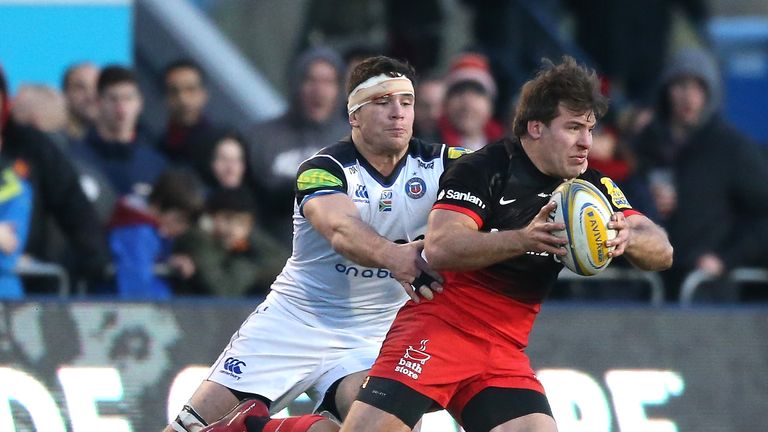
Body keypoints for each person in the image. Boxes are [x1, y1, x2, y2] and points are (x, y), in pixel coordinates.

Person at [340, 56, 674, 432]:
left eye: (591, 129)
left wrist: (628, 237)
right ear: (536, 127)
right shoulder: (485, 168)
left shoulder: (589, 188)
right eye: (574, 128)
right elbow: (441, 246)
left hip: (502, 350)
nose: (586, 143)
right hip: (438, 330)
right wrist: (522, 239)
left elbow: (662, 250)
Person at [167, 55, 464, 432]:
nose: (398, 113)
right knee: (187, 429)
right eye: (383, 102)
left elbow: (508, 171)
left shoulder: (445, 163)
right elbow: (340, 229)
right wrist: (394, 256)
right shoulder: (321, 168)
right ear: (354, 114)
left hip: (374, 334)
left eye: (406, 102)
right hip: (294, 320)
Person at [632, 48, 768, 301]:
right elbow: (613, 196)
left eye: (698, 87)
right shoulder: (645, 143)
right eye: (680, 85)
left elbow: (762, 217)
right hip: (647, 288)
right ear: (666, 90)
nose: (688, 96)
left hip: (705, 292)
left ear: (710, 93)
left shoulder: (732, 148)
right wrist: (643, 199)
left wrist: (725, 259)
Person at [247, 46, 350, 245]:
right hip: (274, 254)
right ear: (296, 84)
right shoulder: (261, 138)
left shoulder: (357, 141)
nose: (318, 90)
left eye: (327, 82)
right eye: (310, 80)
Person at [71, 65, 167, 200]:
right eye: (113, 99)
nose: (121, 108)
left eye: (128, 98)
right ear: (98, 102)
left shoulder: (156, 164)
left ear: (140, 103)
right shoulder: (75, 157)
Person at [170, 187, 288, 297]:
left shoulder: (243, 245)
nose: (233, 229)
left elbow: (283, 262)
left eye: (241, 223)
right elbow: (224, 290)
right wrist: (249, 265)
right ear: (210, 217)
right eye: (227, 219)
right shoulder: (196, 239)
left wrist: (249, 236)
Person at [108, 168, 205, 299]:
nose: (181, 229)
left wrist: (166, 262)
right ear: (158, 205)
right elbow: (135, 288)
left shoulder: (150, 233)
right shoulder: (138, 234)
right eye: (179, 220)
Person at [157, 59, 224, 180]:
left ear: (204, 94)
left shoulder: (222, 146)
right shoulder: (157, 150)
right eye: (174, 91)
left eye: (190, 89)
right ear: (165, 98)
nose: (183, 99)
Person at [437, 53, 505, 151]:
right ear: (446, 103)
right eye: (459, 93)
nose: (467, 104)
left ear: (490, 105)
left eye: (477, 93)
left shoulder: (508, 148)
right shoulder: (429, 150)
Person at [61, 62, 100, 142]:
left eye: (97, 86)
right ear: (65, 94)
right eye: (80, 88)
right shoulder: (56, 142)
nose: (91, 95)